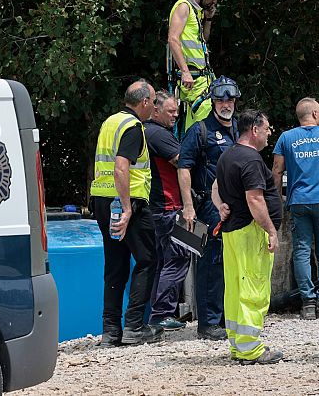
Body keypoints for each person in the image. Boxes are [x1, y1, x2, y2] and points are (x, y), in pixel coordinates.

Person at [90, 79, 161, 346]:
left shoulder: (110, 122)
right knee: (146, 260)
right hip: (126, 202)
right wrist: (128, 208)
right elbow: (121, 168)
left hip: (102, 199)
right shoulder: (133, 127)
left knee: (115, 264)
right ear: (143, 102)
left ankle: (110, 331)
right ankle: (134, 327)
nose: (154, 107)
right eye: (153, 102)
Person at [212, 109, 284, 365]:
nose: (268, 134)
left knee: (235, 288)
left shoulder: (227, 155)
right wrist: (271, 230)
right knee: (253, 289)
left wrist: (219, 204)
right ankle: (251, 349)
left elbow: (215, 188)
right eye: (266, 129)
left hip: (232, 232)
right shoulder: (251, 160)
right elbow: (255, 199)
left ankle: (239, 345)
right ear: (254, 130)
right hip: (249, 233)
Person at [272, 97, 319, 320]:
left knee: (302, 252)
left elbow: (276, 172)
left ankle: (307, 303)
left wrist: (277, 201)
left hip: (298, 201)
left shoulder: (286, 138)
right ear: (315, 114)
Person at [177, 76, 239, 340]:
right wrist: (188, 207)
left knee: (232, 262)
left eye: (230, 99)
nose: (225, 104)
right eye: (220, 99)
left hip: (235, 205)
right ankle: (209, 323)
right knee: (211, 263)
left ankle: (227, 317)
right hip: (208, 207)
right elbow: (184, 168)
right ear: (212, 101)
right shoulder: (200, 130)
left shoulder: (239, 129)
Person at [145, 90, 189, 331]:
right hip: (168, 206)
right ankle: (162, 313)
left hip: (158, 207)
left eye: (176, 110)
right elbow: (183, 161)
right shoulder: (158, 134)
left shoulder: (148, 131)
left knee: (164, 261)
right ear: (155, 110)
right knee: (178, 258)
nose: (175, 115)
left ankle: (160, 313)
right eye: (170, 111)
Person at [167, 0, 227, 136]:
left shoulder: (197, 11)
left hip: (203, 79)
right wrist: (185, 72)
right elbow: (173, 39)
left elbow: (203, 41)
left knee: (202, 126)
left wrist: (208, 19)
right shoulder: (183, 7)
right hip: (192, 79)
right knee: (207, 127)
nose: (215, 0)